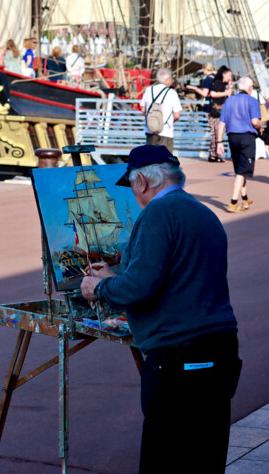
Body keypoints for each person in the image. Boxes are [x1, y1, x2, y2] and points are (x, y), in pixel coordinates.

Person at [80, 144, 241, 474]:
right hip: (219, 350)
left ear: (141, 181)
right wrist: (118, 276)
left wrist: (99, 288)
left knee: (166, 460)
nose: (135, 197)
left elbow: (140, 288)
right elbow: (181, 275)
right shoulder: (203, 213)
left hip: (179, 358)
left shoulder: (156, 213)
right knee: (205, 458)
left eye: (133, 188)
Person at [217, 76, 262, 213]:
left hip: (232, 137)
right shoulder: (252, 101)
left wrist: (219, 141)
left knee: (239, 169)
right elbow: (255, 121)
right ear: (249, 88)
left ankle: (245, 198)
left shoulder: (229, 100)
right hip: (246, 137)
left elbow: (221, 123)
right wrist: (260, 128)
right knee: (242, 170)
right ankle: (233, 202)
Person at [140, 68, 182, 152]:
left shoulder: (149, 90)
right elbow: (177, 115)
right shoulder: (171, 93)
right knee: (165, 159)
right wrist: (169, 120)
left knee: (150, 157)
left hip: (150, 129)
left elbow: (143, 110)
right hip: (166, 131)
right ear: (167, 80)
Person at [207, 65, 233, 162]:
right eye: (229, 75)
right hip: (215, 111)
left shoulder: (223, 84)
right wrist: (225, 93)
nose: (229, 78)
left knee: (218, 133)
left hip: (220, 111)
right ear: (224, 74)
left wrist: (229, 88)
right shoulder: (218, 82)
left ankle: (216, 154)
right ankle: (214, 154)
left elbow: (228, 97)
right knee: (216, 133)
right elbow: (213, 94)